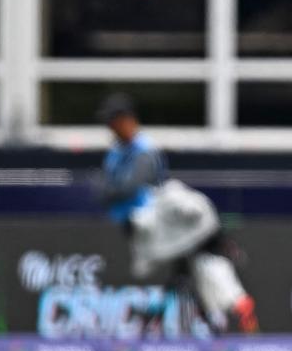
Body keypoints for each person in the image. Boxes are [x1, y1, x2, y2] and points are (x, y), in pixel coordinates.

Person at [98, 93, 258, 337]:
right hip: (143, 231)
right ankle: (229, 300)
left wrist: (110, 190)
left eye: (114, 120)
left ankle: (230, 306)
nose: (111, 127)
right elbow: (109, 190)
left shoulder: (144, 150)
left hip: (163, 227)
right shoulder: (116, 154)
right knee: (202, 267)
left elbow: (127, 187)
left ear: (128, 120)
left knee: (204, 262)